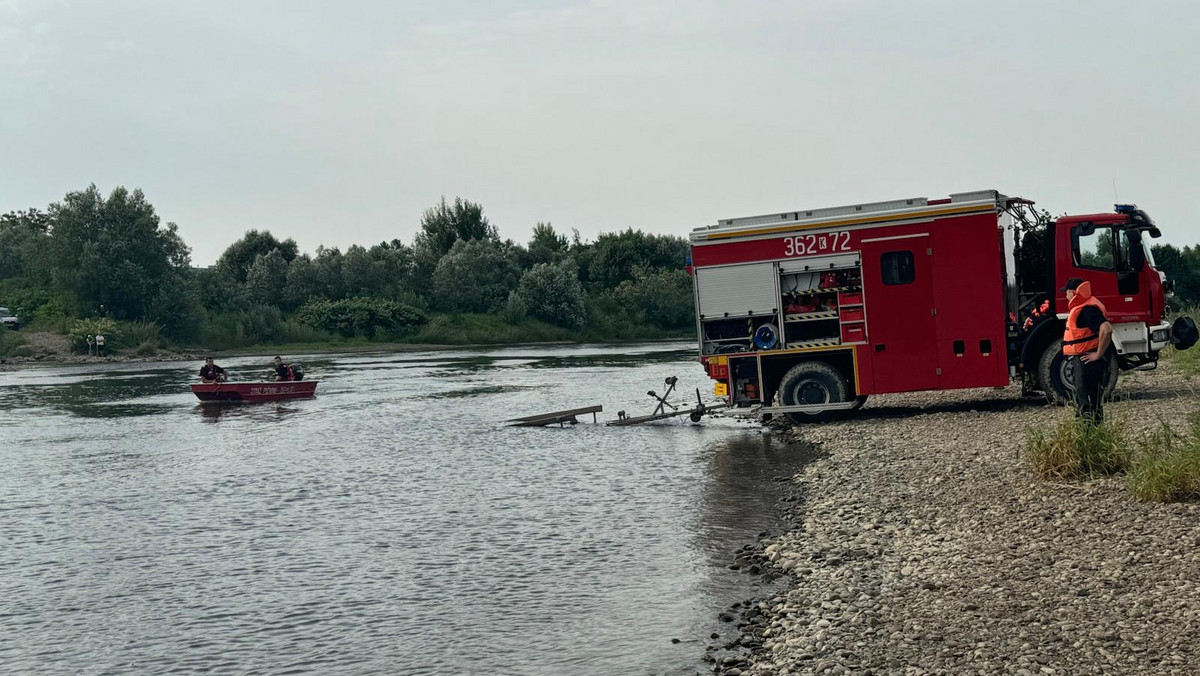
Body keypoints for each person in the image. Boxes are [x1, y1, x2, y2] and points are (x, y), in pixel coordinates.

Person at [1061, 278, 1113, 424]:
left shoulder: (1087, 309)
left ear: (1072, 293)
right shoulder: (1087, 305)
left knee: (1088, 400)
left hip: (1089, 361)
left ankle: (1089, 432)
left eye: (1066, 293)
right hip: (1086, 360)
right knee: (1088, 399)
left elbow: (1107, 329)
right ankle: (1089, 430)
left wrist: (1098, 354)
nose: (1065, 296)